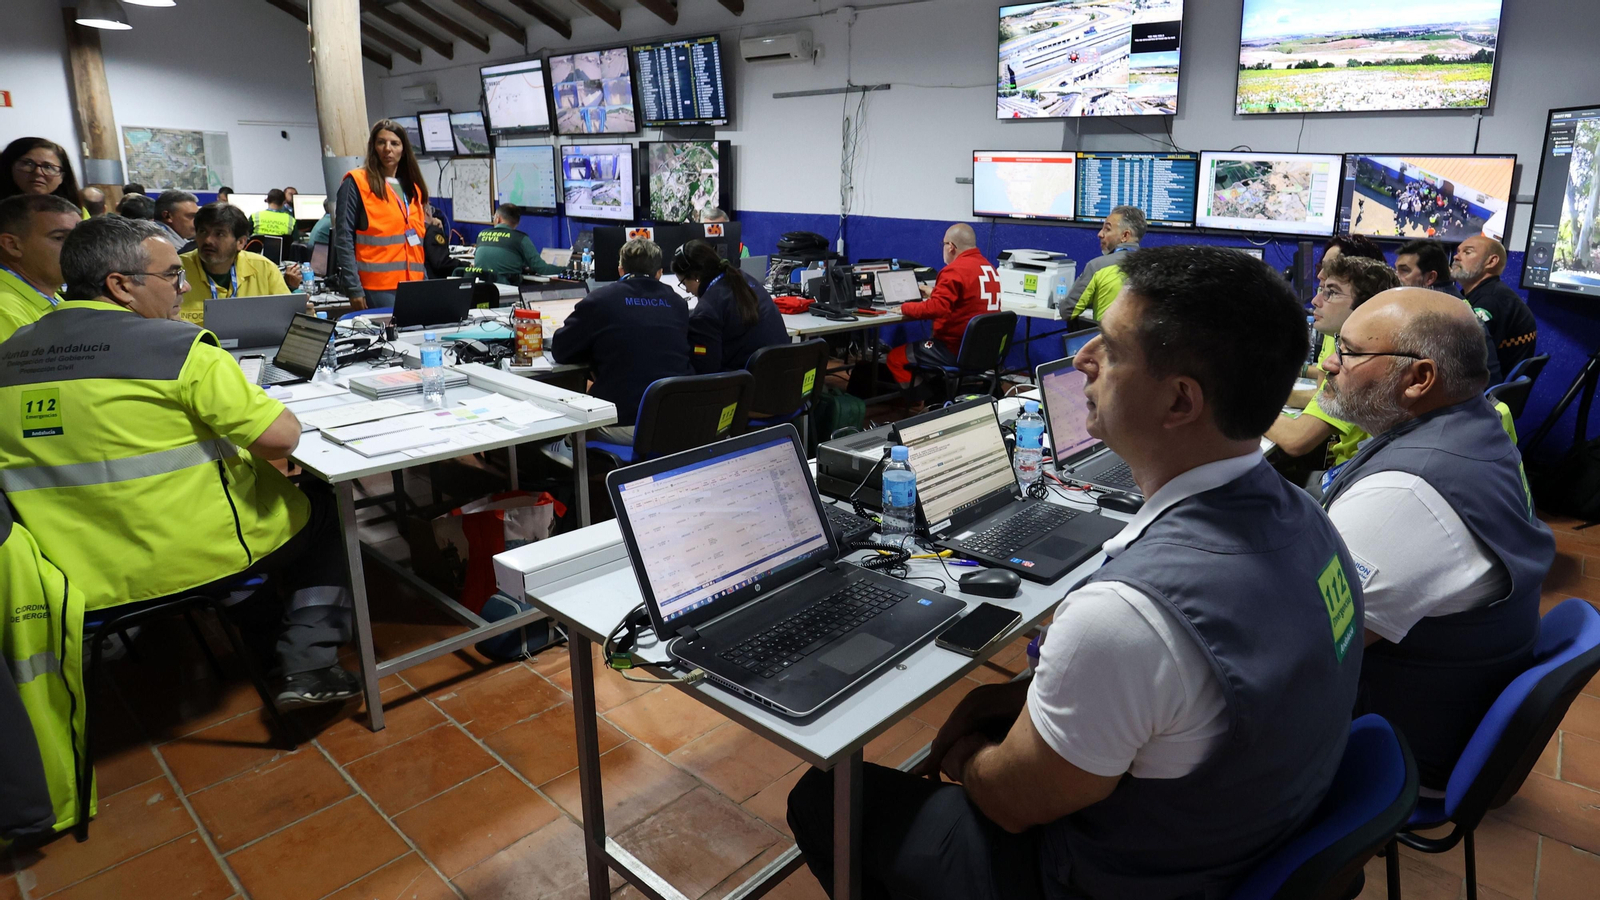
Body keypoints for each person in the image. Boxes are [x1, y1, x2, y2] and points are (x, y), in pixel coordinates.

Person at [788, 246, 1363, 899]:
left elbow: (1008, 801)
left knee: (824, 796)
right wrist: (1003, 700)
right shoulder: (1308, 518)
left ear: (1180, 402)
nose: (1082, 360)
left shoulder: (1125, 615)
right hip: (1238, 834)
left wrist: (962, 758)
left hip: (1108, 878)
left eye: (1112, 350)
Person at [0, 216, 360, 705]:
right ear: (121, 285)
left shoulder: (8, 356)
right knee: (323, 505)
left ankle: (255, 620)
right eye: (171, 275)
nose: (184, 285)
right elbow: (281, 438)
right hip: (187, 556)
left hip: (70, 578)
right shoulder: (178, 349)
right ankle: (309, 660)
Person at [1316, 287, 1554, 790]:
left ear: (1419, 378)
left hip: (1397, 743)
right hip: (1449, 702)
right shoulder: (1475, 422)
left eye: (1349, 352)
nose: (1329, 365)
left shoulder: (1406, 495)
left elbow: (1306, 646)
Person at [548, 239, 692, 446]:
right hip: (675, 420)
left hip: (621, 421)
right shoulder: (678, 304)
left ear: (620, 269)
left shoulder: (600, 300)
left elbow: (560, 350)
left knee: (560, 443)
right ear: (659, 273)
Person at [1265, 255, 1398, 466]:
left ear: (1367, 305)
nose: (1315, 302)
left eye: (1331, 293)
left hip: (1346, 479)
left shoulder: (1362, 365)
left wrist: (1243, 404)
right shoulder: (1365, 350)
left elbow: (1296, 440)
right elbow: (1320, 398)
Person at [885, 224, 1001, 384]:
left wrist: (904, 308)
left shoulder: (954, 271)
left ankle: (921, 403)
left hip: (953, 349)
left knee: (895, 358)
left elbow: (936, 309)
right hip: (983, 352)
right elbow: (969, 298)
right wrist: (935, 292)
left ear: (951, 247)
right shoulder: (989, 268)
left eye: (944, 244)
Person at [333, 120, 429, 310]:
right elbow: (344, 238)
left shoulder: (412, 188)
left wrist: (424, 281)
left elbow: (415, 242)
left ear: (404, 149)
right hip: (377, 288)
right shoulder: (357, 182)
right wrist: (354, 289)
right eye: (381, 143)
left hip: (414, 285)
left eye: (394, 143)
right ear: (373, 147)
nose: (387, 149)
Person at [1395, 238, 1502, 383]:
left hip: (1469, 396)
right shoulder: (1451, 298)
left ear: (1430, 278)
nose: (1396, 277)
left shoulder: (1435, 312)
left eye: (1404, 271)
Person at [674, 239, 787, 373]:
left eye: (683, 283)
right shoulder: (744, 279)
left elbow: (705, 372)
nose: (686, 290)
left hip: (749, 385)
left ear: (696, 276)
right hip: (783, 375)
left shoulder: (706, 312)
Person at [177, 203, 291, 325]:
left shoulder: (264, 268)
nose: (207, 240)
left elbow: (286, 317)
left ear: (241, 242)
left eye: (219, 234)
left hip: (250, 342)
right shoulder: (176, 269)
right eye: (203, 231)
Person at [1453, 235, 1538, 378]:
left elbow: (1465, 354)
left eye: (1467, 252)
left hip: (1483, 391)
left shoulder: (1491, 300)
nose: (1456, 257)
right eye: (1458, 251)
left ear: (1491, 261)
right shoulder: (1487, 293)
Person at [0, 194, 79, 341]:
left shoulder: (46, 293)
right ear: (12, 245)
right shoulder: (5, 310)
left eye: (81, 237)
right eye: (60, 237)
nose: (79, 247)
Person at [1061, 205, 1143, 324]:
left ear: (1125, 236)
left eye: (1107, 229)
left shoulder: (1098, 266)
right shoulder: (1154, 267)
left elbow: (1067, 311)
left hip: (1106, 340)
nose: (1100, 234)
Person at [471, 204, 563, 282]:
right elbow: (542, 269)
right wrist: (567, 270)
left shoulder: (482, 234)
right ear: (517, 222)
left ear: (498, 219)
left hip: (481, 288)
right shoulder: (521, 238)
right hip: (508, 289)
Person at [0, 139, 83, 213]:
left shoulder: (76, 213)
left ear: (62, 176)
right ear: (8, 167)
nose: (38, 172)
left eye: (48, 167)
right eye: (28, 163)